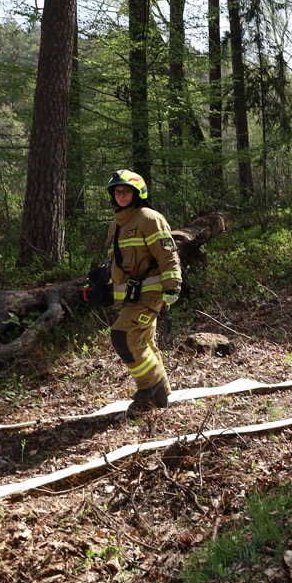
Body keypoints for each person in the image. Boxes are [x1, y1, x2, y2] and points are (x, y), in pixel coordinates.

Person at [104, 169, 182, 414]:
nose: (121, 195)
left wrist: (172, 286)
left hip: (151, 294)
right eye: (117, 191)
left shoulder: (150, 218)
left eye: (126, 191)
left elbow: (168, 255)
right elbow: (116, 264)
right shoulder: (115, 225)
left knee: (123, 336)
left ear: (138, 193)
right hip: (130, 297)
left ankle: (148, 387)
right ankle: (161, 399)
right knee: (145, 342)